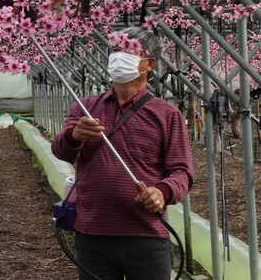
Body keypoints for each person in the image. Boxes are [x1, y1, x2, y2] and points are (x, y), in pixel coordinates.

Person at [51, 27, 194, 280]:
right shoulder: (84, 107)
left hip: (146, 233)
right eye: (115, 50)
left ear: (149, 63)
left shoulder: (166, 115)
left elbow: (182, 171)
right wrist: (75, 136)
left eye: (128, 50)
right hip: (92, 232)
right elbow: (61, 152)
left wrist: (162, 191)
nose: (118, 56)